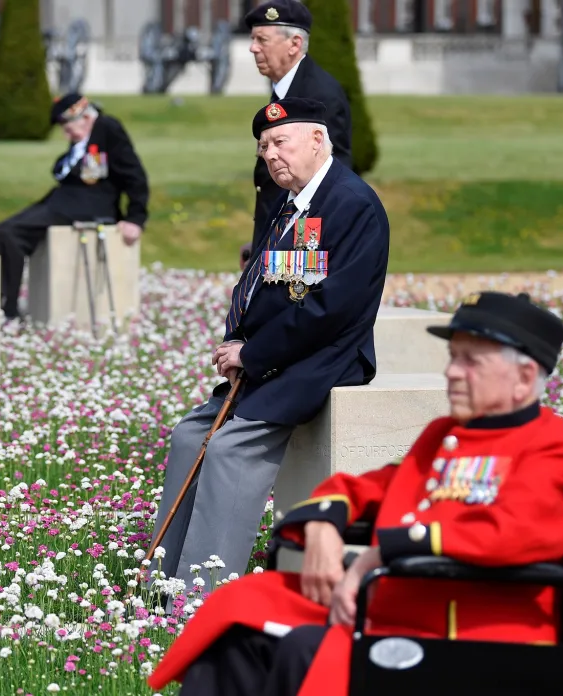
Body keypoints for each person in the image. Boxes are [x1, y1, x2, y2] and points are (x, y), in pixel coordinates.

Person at [146, 291, 563, 696]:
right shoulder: (444, 434)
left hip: (470, 632)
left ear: (524, 378)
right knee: (239, 613)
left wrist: (383, 553)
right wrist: (323, 521)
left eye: (471, 362)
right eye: (453, 358)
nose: (452, 371)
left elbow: (520, 534)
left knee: (301, 647)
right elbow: (370, 488)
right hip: (393, 606)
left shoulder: (548, 446)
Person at [148, 97, 389, 596]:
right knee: (191, 435)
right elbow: (280, 287)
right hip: (280, 356)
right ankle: (158, 578)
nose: (270, 155)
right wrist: (240, 340)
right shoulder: (298, 204)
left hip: (324, 359)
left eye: (280, 142)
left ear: (318, 140)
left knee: (231, 448)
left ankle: (202, 593)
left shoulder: (351, 204)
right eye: (263, 147)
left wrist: (253, 354)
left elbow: (328, 310)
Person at [0, 93, 149, 319]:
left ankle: (8, 309)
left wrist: (135, 218)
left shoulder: (107, 128)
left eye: (66, 124)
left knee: (8, 235)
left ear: (84, 116)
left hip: (88, 205)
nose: (65, 132)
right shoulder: (80, 141)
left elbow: (134, 175)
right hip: (63, 202)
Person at [242, 0, 353, 263]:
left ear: (294, 44)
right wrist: (260, 242)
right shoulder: (284, 89)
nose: (253, 47)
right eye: (253, 39)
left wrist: (297, 259)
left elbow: (326, 182)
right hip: (277, 240)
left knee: (292, 303)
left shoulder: (319, 96)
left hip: (299, 250)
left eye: (262, 39)